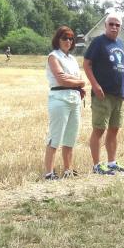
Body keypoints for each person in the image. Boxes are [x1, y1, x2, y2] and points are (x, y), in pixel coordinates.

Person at [84, 13, 124, 175]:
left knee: (114, 129)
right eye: (111, 24)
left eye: (117, 25)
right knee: (99, 129)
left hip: (119, 94)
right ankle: (97, 166)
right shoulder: (98, 42)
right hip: (103, 94)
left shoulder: (120, 43)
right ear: (105, 25)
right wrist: (95, 85)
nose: (114, 27)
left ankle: (111, 163)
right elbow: (87, 64)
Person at [43, 26, 86, 180]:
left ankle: (68, 169)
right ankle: (49, 173)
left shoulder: (72, 59)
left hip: (74, 100)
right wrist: (80, 82)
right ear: (58, 40)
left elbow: (72, 78)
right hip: (59, 99)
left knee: (70, 136)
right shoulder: (53, 57)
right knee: (55, 136)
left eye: (71, 38)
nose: (68, 41)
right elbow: (61, 79)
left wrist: (75, 82)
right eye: (64, 38)